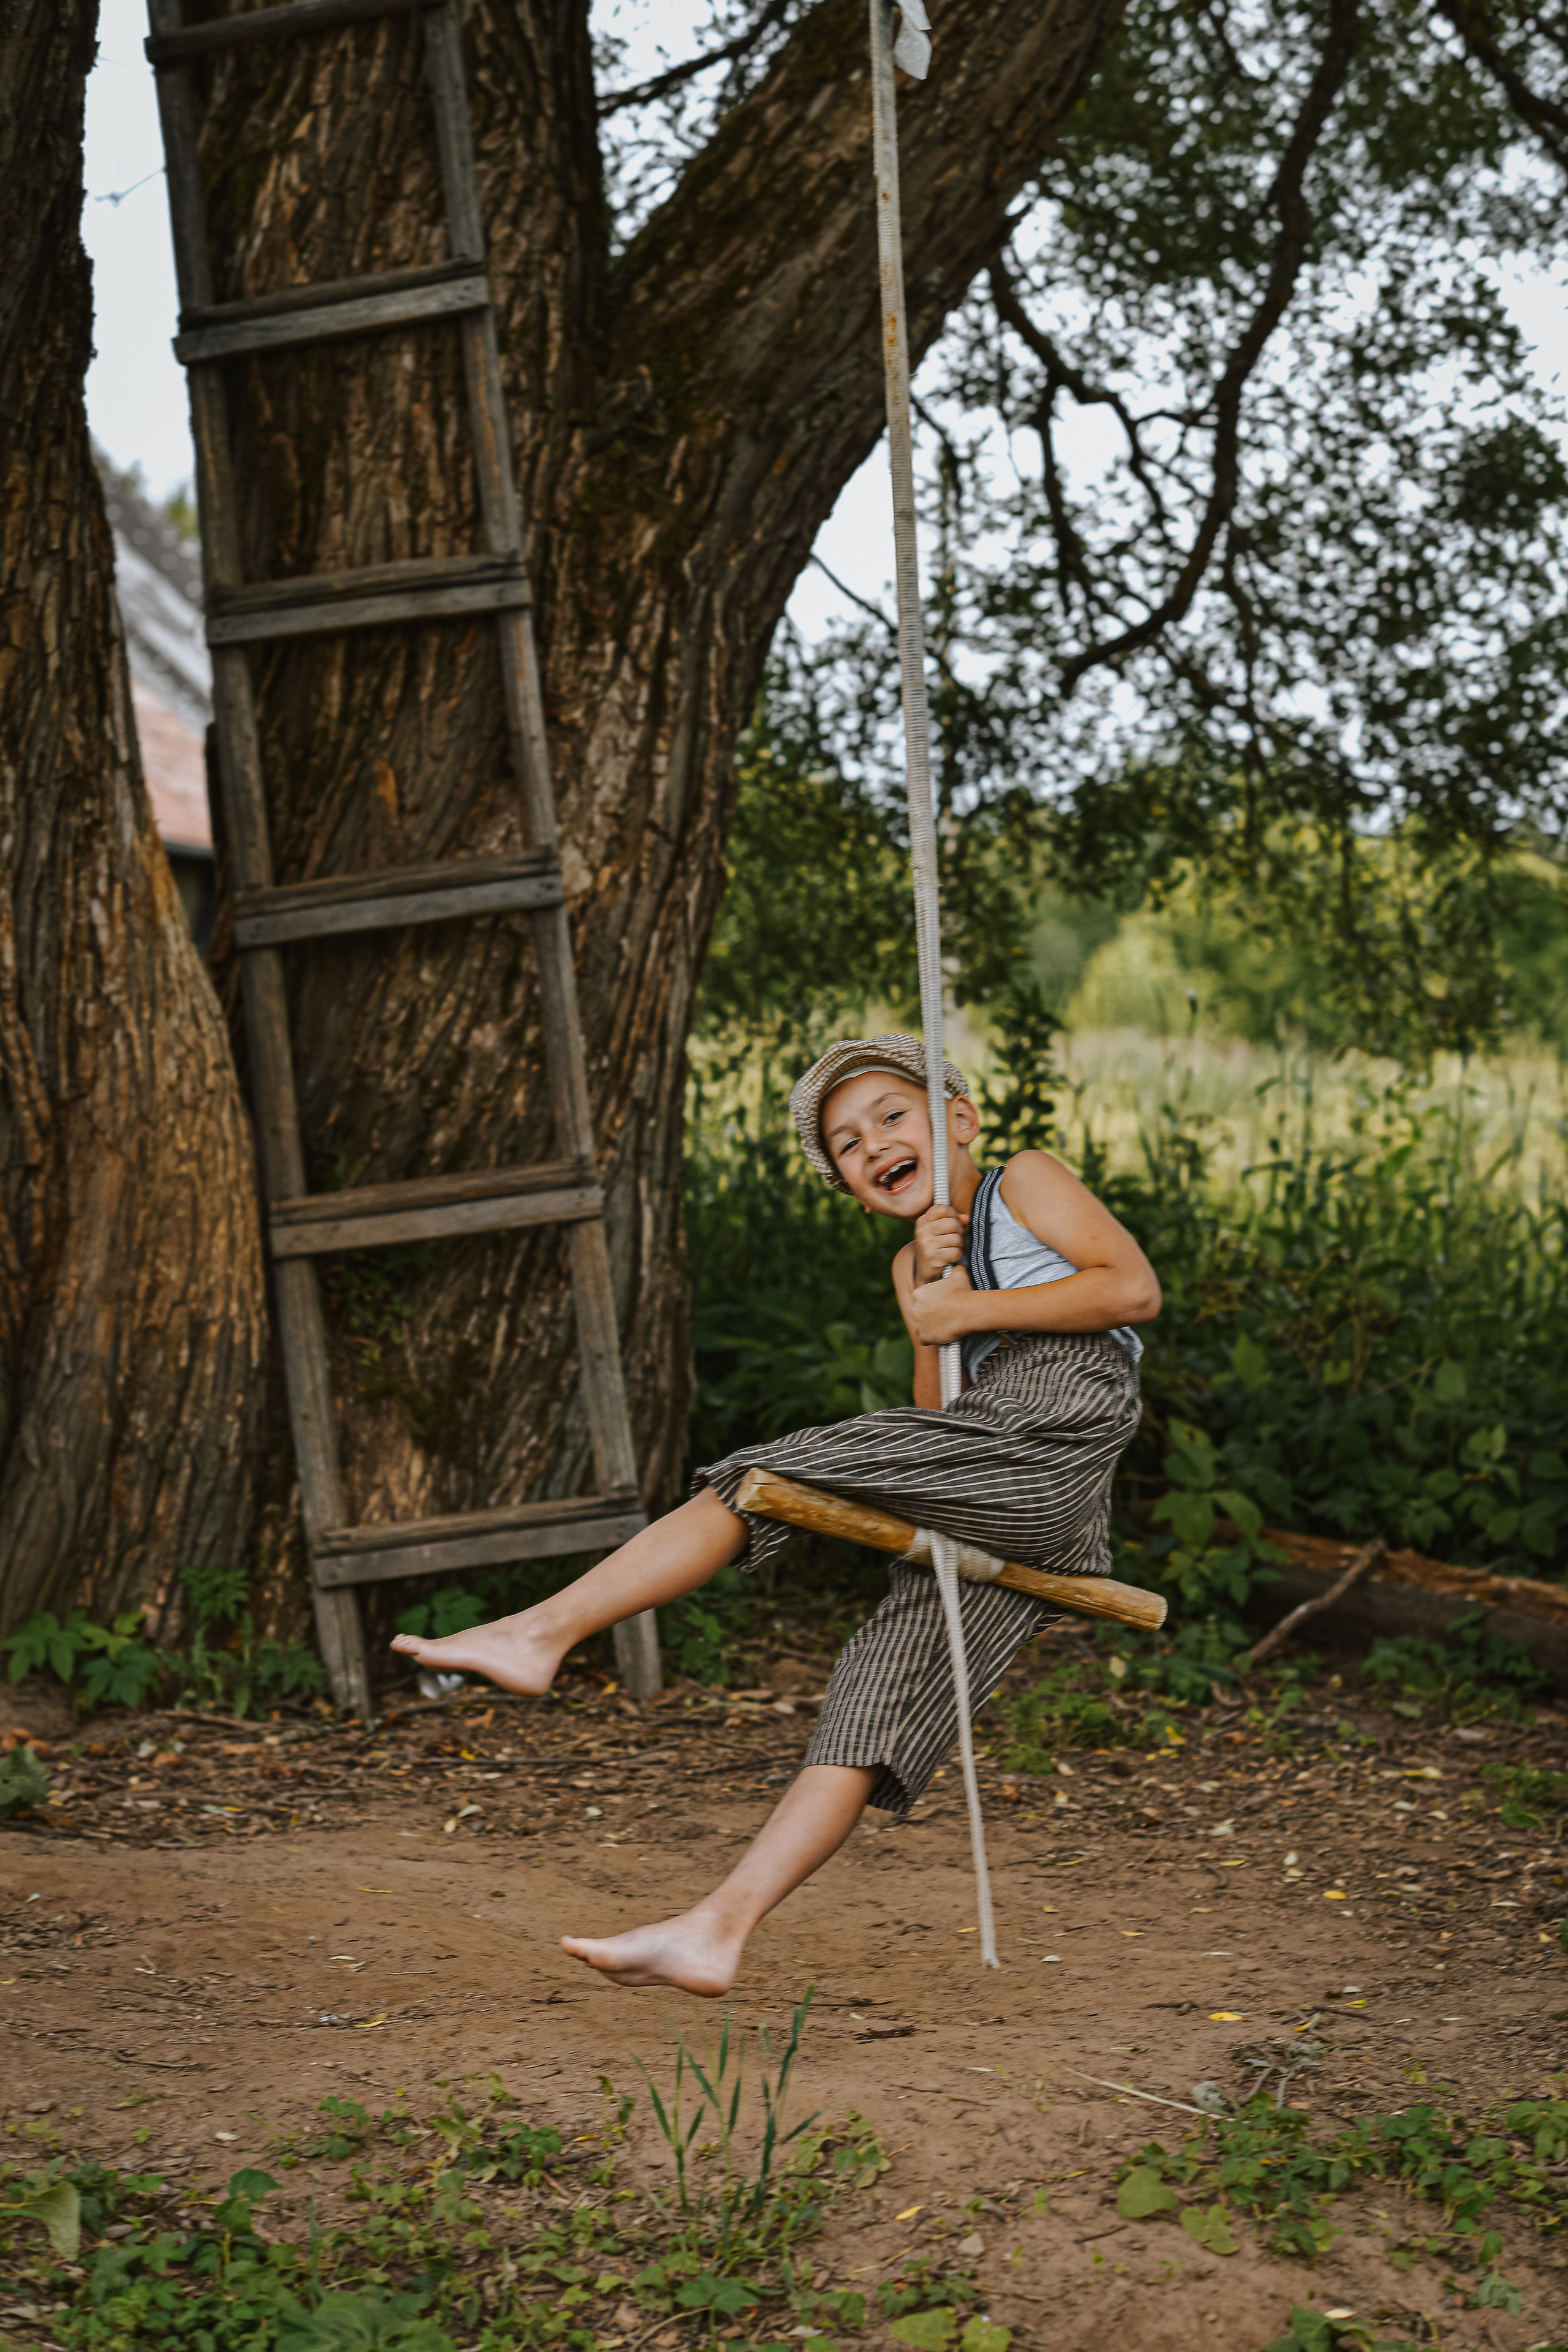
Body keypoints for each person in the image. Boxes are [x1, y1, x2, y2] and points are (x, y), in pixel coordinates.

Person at [391, 1033, 1159, 1994]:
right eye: (846, 1142)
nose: (871, 1140)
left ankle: (544, 1630)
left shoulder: (1024, 1184)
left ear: (958, 1119)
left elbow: (1131, 1289)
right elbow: (934, 1421)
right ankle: (717, 1928)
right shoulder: (910, 1264)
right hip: (989, 1462)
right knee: (875, 1703)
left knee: (774, 1473)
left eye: (891, 1113)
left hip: (1051, 1445)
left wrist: (961, 1313)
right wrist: (933, 1296)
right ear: (847, 1183)